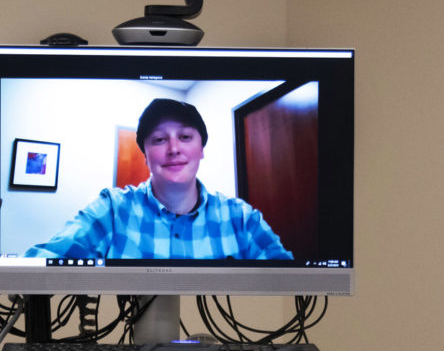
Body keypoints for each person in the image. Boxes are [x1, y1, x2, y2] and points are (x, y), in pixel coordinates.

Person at [24, 98, 293, 260]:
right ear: (145, 156)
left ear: (201, 150)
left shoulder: (241, 218)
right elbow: (45, 261)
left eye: (185, 137)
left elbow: (291, 277)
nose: (174, 148)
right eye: (159, 139)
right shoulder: (112, 209)